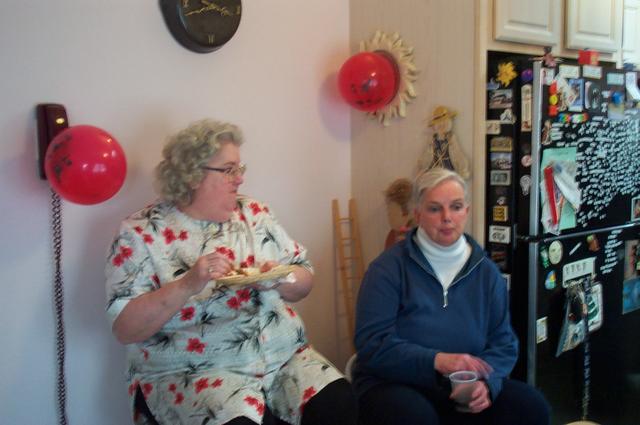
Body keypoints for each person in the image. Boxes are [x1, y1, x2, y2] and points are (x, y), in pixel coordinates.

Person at [105, 119, 357, 425]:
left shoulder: (254, 214)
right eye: (229, 170)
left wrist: (280, 278)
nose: (240, 179)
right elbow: (125, 329)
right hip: (197, 372)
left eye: (240, 168)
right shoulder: (141, 232)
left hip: (282, 358)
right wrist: (187, 284)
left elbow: (304, 279)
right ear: (193, 175)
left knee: (340, 402)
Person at [353, 167, 550, 425]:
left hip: (462, 385)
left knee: (531, 406)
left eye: (456, 207)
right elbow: (372, 344)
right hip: (395, 383)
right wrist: (437, 361)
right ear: (417, 214)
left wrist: (487, 384)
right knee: (415, 417)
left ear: (466, 211)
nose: (447, 218)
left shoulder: (487, 273)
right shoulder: (387, 270)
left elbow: (503, 343)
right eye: (435, 209)